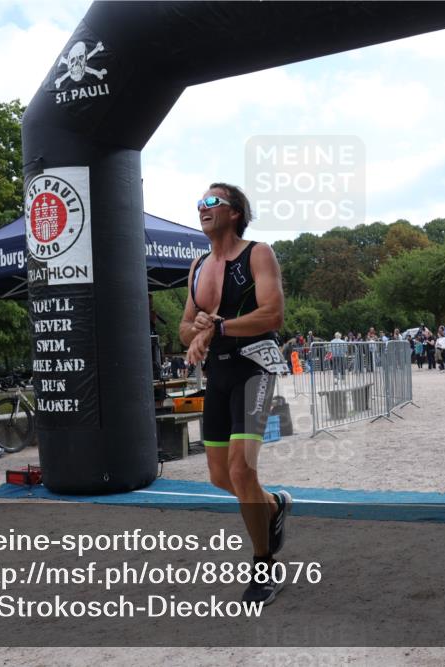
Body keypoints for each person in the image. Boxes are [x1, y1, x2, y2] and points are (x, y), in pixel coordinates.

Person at [179, 182, 289, 604]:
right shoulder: (196, 266)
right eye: (199, 202)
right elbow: (185, 326)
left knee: (242, 470)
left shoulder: (257, 253)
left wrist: (217, 327)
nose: (202, 207)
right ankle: (274, 507)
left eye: (211, 202)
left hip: (255, 366)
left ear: (235, 212)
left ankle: (264, 567)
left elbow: (272, 313)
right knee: (220, 476)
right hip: (218, 372)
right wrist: (197, 334)